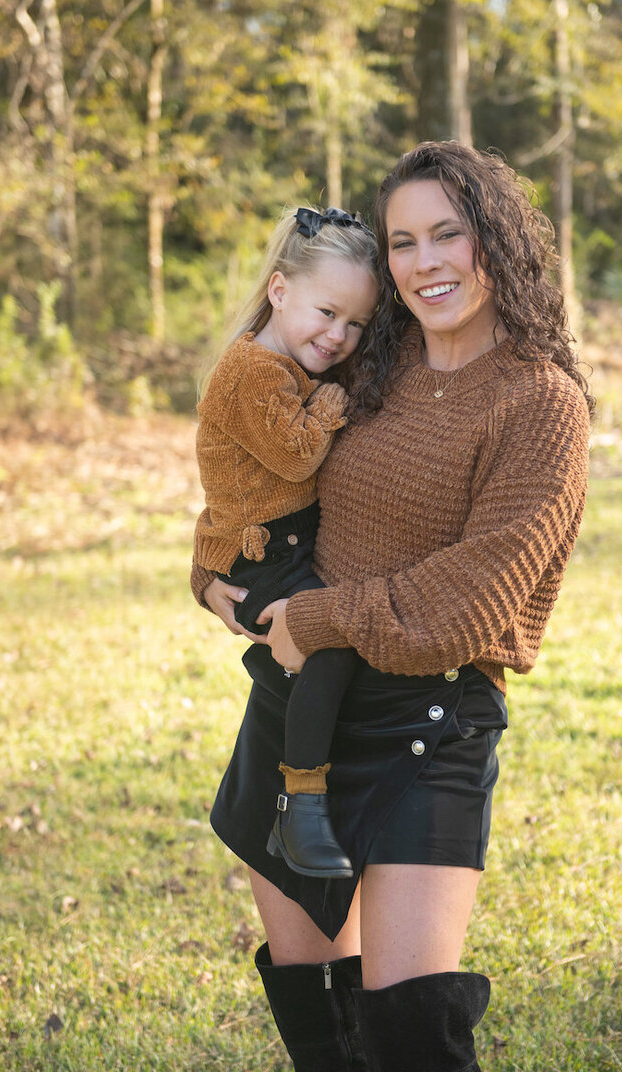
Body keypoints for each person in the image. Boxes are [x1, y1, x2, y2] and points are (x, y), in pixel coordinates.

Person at [192, 141, 593, 1072]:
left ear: (496, 241)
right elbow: (256, 485)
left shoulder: (543, 404)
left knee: (410, 1034)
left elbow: (469, 602)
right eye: (405, 240)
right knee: (322, 1036)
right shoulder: (374, 360)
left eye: (448, 232)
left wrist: (316, 616)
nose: (424, 261)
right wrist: (214, 581)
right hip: (298, 713)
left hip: (429, 722)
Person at [192, 205, 378, 880]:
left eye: (356, 324)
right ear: (279, 290)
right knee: (327, 646)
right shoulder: (255, 371)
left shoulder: (287, 364)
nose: (339, 337)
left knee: (322, 656)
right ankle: (300, 803)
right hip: (261, 559)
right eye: (327, 313)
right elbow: (298, 455)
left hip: (280, 545)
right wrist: (332, 405)